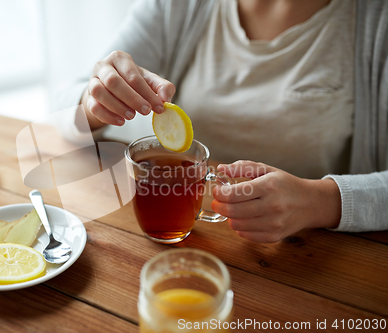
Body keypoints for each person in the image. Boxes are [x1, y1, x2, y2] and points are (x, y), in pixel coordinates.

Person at [54, 0, 388, 242]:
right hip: (182, 247)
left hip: (316, 259)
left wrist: (321, 201)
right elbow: (61, 110)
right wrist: (95, 101)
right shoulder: (177, 7)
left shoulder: (376, 22)